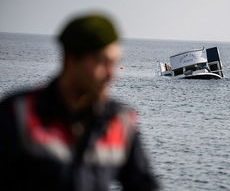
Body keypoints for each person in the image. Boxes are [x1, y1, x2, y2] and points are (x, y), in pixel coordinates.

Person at [0, 13, 160, 191]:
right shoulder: (19, 113)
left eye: (114, 63)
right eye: (102, 62)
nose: (111, 75)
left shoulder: (120, 122)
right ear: (71, 60)